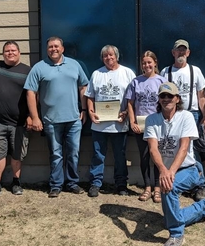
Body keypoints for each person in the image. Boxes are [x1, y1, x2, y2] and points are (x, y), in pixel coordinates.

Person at [144, 82, 205, 246]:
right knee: (169, 217)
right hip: (168, 171)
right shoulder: (152, 120)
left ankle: (176, 235)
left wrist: (169, 173)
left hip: (191, 169)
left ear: (177, 99)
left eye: (170, 96)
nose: (166, 99)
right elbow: (153, 148)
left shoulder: (186, 117)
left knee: (168, 188)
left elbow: (184, 148)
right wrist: (164, 170)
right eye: (162, 96)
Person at [25, 37, 89, 198]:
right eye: (50, 47)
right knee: (56, 154)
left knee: (74, 152)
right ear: (47, 50)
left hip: (74, 119)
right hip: (51, 120)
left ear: (62, 49)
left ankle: (72, 182)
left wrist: (85, 109)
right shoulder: (39, 68)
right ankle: (56, 184)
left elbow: (83, 86)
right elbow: (30, 93)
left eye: (56, 46)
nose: (53, 49)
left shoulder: (75, 65)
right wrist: (35, 117)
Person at [160, 39, 205, 200]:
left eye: (183, 50)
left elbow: (202, 96)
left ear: (188, 53)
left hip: (191, 115)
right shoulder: (165, 72)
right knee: (173, 149)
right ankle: (180, 183)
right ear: (173, 53)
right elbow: (161, 96)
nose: (181, 53)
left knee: (192, 151)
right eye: (178, 50)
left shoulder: (195, 71)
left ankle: (200, 186)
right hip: (171, 115)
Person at [85, 45, 136, 197]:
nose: (108, 58)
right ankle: (95, 183)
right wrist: (91, 112)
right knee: (98, 154)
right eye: (105, 56)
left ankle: (121, 184)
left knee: (120, 156)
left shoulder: (127, 73)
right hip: (99, 125)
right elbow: (90, 96)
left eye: (111, 55)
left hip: (119, 124)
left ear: (117, 56)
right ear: (102, 58)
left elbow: (133, 98)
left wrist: (126, 112)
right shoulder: (96, 74)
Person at [0, 41, 32, 199]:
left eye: (13, 50)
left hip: (19, 122)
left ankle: (16, 182)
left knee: (17, 154)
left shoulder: (28, 71)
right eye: (7, 51)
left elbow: (34, 96)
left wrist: (31, 116)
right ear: (3, 53)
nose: (10, 53)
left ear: (19, 52)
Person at [125, 51, 166, 203]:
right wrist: (132, 121)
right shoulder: (136, 81)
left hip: (157, 125)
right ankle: (147, 186)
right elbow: (130, 103)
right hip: (140, 126)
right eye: (144, 63)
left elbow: (167, 102)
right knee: (144, 156)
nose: (147, 65)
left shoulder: (162, 81)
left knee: (156, 157)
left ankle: (157, 187)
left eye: (149, 62)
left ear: (155, 63)